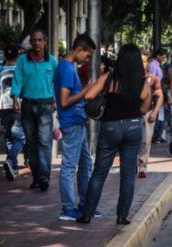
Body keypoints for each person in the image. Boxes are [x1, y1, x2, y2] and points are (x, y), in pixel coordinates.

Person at [77, 44, 151, 225]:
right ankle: (122, 215)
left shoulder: (108, 78)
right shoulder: (143, 83)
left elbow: (88, 97)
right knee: (127, 174)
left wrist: (98, 89)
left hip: (110, 128)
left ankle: (87, 213)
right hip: (134, 128)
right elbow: (144, 109)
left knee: (100, 172)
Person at [53, 34, 102, 220]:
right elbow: (64, 101)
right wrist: (85, 91)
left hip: (76, 121)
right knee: (69, 166)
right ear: (78, 50)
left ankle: (84, 203)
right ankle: (68, 208)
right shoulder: (66, 68)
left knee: (85, 163)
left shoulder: (67, 67)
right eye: (87, 55)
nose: (87, 60)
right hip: (71, 121)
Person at [11, 29, 58, 191]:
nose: (37, 43)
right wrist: (15, 98)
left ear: (45, 42)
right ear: (30, 43)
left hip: (45, 106)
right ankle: (36, 176)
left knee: (44, 143)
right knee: (31, 144)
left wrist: (56, 101)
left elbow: (57, 84)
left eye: (39, 40)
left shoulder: (52, 61)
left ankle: (44, 177)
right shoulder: (23, 61)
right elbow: (17, 80)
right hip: (27, 105)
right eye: (34, 40)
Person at [0, 45, 26, 181]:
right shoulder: (21, 71)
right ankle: (11, 159)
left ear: (4, 57)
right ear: (18, 56)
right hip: (18, 106)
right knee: (21, 138)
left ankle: (14, 168)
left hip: (3, 108)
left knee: (8, 138)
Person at [137, 50, 163, 178]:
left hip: (148, 113)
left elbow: (160, 96)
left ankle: (142, 167)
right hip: (133, 114)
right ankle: (132, 165)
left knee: (146, 141)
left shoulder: (153, 79)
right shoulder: (130, 78)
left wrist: (155, 112)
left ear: (148, 63)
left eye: (145, 61)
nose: (142, 64)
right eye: (140, 60)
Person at [149, 48, 167, 144]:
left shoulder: (158, 65)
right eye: (162, 57)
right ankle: (154, 135)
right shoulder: (152, 65)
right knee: (156, 114)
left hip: (158, 92)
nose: (163, 59)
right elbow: (151, 80)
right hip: (154, 93)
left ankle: (157, 135)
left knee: (160, 115)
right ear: (158, 56)